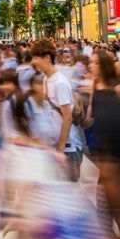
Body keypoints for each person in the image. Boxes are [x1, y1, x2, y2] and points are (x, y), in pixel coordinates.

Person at [31, 38, 84, 182]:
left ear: (47, 58)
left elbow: (67, 117)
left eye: (36, 57)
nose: (33, 62)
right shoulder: (47, 79)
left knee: (69, 196)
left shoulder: (59, 82)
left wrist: (60, 149)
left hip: (68, 148)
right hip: (57, 147)